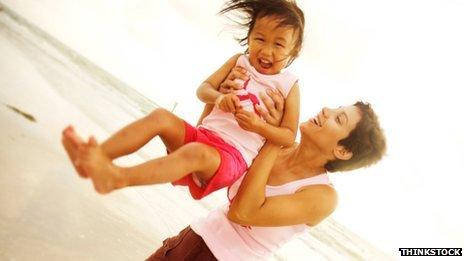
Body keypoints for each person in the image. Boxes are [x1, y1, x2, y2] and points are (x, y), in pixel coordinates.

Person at [61, 0, 305, 199]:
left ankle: (117, 178)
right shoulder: (238, 61)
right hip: (203, 136)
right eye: (260, 39)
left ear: (293, 51)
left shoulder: (288, 85)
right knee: (161, 117)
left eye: (279, 44)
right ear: (249, 36)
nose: (266, 51)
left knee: (195, 153)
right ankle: (94, 158)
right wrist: (219, 98)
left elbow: (288, 136)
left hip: (232, 156)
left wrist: (258, 126)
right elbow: (203, 90)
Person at [146, 79, 387, 260]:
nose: (326, 110)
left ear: (343, 151)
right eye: (336, 109)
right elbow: (202, 160)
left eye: (338, 119)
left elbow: (242, 212)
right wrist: (220, 97)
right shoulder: (274, 146)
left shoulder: (323, 197)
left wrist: (273, 135)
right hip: (188, 240)